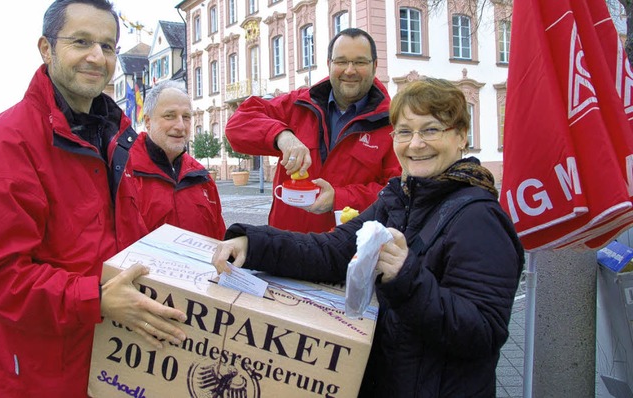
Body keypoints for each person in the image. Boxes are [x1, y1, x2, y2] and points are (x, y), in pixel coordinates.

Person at [213, 78, 525, 397]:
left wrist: (407, 277)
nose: (415, 143)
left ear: (461, 136)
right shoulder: (397, 199)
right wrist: (253, 244)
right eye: (404, 132)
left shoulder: (480, 219)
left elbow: (483, 332)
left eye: (431, 130)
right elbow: (332, 251)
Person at [0, 1, 187, 396]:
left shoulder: (117, 137)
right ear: (46, 49)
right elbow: (3, 278)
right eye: (81, 42)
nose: (97, 57)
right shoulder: (9, 141)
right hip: (43, 373)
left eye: (108, 46)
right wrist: (95, 298)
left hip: (115, 363)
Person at [225, 28, 401, 233]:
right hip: (285, 245)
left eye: (360, 62)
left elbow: (397, 191)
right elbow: (237, 125)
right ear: (329, 64)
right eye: (341, 61)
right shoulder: (299, 104)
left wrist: (339, 197)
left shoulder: (392, 122)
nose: (350, 70)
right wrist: (282, 135)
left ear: (374, 66)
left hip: (348, 253)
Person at [126, 80, 226, 239]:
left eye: (186, 117)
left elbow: (219, 240)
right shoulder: (125, 174)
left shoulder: (201, 178)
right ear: (148, 121)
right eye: (169, 116)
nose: (180, 126)